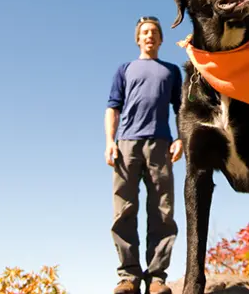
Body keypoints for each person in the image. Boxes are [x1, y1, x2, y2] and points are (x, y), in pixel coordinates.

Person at [104, 16, 183, 294]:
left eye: (154, 32)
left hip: (161, 144)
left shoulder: (172, 71)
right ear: (138, 39)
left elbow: (181, 109)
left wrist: (182, 139)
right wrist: (109, 142)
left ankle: (157, 277)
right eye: (144, 32)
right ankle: (128, 276)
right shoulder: (125, 69)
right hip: (126, 144)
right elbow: (112, 107)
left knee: (162, 211)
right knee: (123, 210)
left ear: (160, 40)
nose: (149, 36)